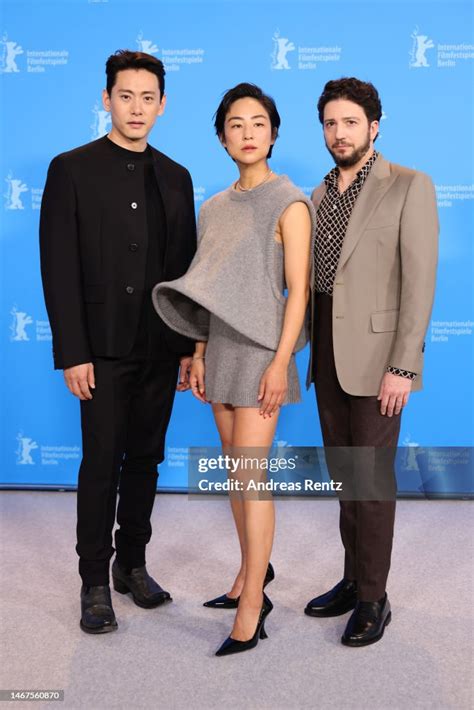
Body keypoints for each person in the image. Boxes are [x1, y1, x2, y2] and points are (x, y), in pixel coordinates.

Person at [153, 83, 315, 656]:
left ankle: (252, 610)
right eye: (236, 125)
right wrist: (196, 353)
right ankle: (252, 576)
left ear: (273, 132)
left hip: (261, 354)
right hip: (219, 348)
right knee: (234, 476)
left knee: (252, 476)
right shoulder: (214, 206)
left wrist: (280, 363)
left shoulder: (289, 201)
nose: (248, 133)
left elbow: (299, 292)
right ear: (222, 137)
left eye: (258, 123)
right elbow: (206, 289)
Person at [39, 50, 196, 634]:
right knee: (101, 462)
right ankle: (94, 581)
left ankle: (133, 563)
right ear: (106, 99)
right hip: (99, 349)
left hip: (159, 347)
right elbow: (57, 267)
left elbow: (183, 272)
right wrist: (72, 351)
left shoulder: (176, 177)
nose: (136, 107)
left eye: (147, 97)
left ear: (162, 105)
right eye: (125, 96)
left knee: (146, 460)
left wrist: (186, 347)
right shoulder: (71, 169)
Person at [304, 77, 438, 646]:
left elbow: (419, 281)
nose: (339, 133)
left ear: (374, 126)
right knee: (346, 476)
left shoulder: (408, 185)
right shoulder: (317, 193)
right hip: (328, 354)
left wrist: (403, 365)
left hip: (380, 357)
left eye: (350, 122)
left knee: (373, 480)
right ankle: (353, 578)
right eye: (331, 123)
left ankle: (373, 599)